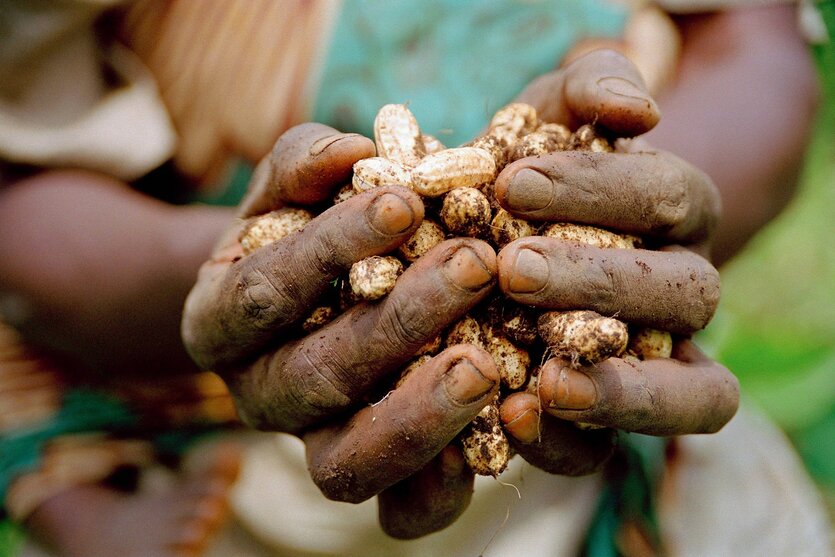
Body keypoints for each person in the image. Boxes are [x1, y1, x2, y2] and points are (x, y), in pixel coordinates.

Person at [0, 2, 829, 557]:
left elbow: (755, 43)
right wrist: (261, 268)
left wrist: (655, 202)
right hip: (225, 455)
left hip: (633, 428)